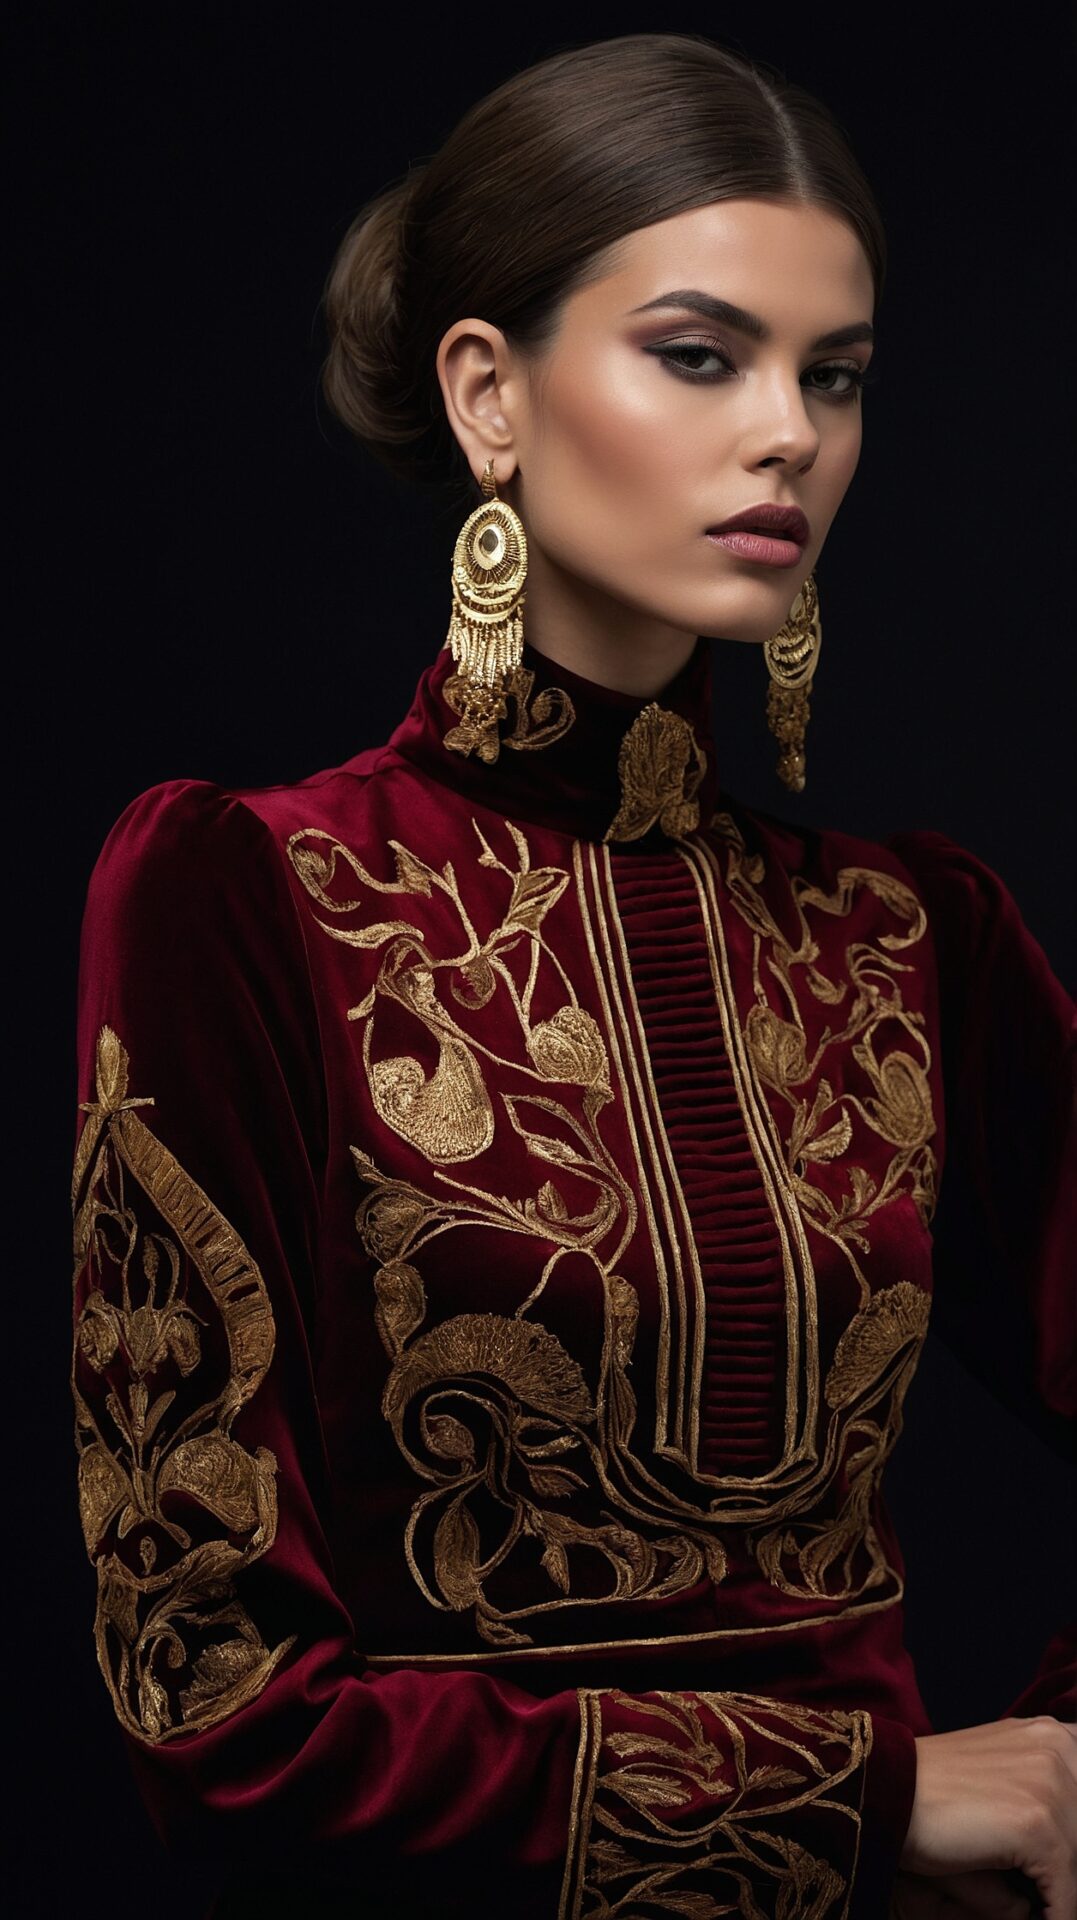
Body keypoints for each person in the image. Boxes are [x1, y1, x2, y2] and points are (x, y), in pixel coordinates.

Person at [70, 32, 1076, 1920]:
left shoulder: (899, 932)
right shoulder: (249, 896)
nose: (789, 430)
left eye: (832, 376)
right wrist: (867, 1799)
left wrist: (1048, 1785)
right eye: (700, 355)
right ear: (488, 394)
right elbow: (204, 1704)